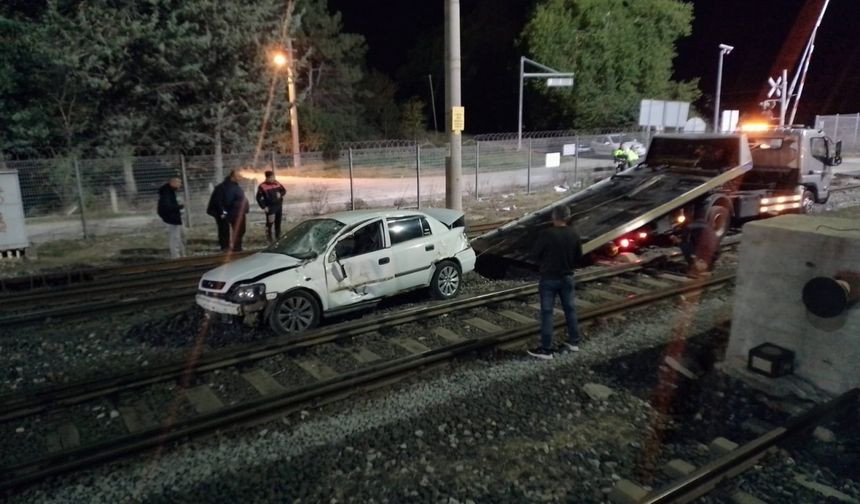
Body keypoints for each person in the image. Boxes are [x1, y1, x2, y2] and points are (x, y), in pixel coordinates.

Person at [527, 205, 583, 360]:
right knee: (570, 310)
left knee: (547, 313)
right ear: (568, 217)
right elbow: (579, 258)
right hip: (567, 278)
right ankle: (574, 342)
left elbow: (534, 255)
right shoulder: (574, 234)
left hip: (549, 279)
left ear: (554, 217)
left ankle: (546, 350)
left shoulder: (547, 234)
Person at [157, 177, 186, 258]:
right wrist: (179, 207)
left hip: (173, 217)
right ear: (172, 183)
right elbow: (167, 207)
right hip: (171, 219)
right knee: (175, 238)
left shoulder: (169, 191)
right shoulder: (167, 193)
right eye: (179, 183)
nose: (180, 185)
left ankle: (182, 255)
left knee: (179, 237)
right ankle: (176, 256)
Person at [255, 170, 287, 243]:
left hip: (278, 206)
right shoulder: (262, 186)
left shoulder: (277, 183)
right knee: (270, 223)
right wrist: (263, 207)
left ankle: (278, 237)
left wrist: (281, 194)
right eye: (271, 177)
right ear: (267, 178)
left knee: (278, 222)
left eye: (273, 177)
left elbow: (284, 190)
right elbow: (258, 198)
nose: (273, 179)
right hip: (270, 207)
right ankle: (269, 238)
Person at [222, 170, 250, 252]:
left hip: (238, 213)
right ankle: (236, 248)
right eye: (238, 176)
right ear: (233, 177)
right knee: (238, 230)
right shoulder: (230, 187)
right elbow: (228, 201)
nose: (241, 177)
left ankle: (237, 247)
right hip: (235, 213)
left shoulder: (235, 186)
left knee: (241, 230)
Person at [206, 177, 230, 252]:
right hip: (218, 212)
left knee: (224, 228)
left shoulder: (222, 187)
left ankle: (225, 245)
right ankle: (224, 246)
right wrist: (222, 212)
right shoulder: (221, 188)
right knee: (223, 228)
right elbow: (218, 202)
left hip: (219, 211)